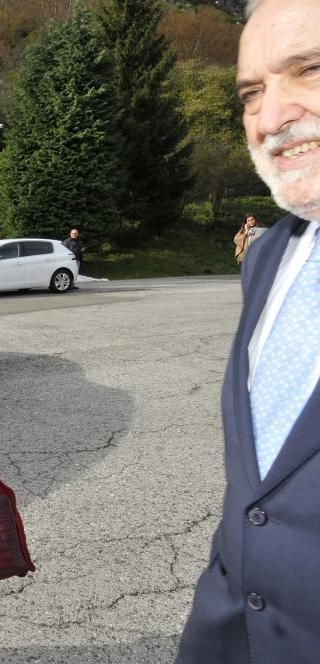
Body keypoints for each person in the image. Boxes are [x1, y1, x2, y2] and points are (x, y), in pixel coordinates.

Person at [176, 0, 320, 661]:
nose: (269, 119)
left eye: (309, 70)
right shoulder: (266, 259)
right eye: (251, 92)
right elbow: (252, 510)